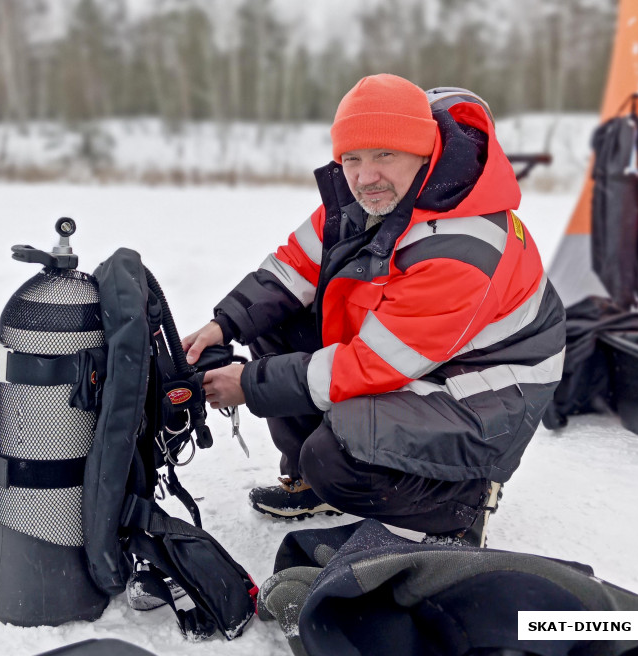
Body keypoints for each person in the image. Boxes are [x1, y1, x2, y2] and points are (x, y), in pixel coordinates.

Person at [182, 74, 566, 546]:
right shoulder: (370, 197)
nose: (365, 175)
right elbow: (294, 268)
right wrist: (225, 324)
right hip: (420, 353)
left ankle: (459, 505)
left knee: (338, 453)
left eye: (385, 154)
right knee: (276, 322)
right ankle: (314, 482)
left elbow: (374, 364)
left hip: (484, 392)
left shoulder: (462, 244)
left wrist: (251, 384)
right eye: (353, 158)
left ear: (423, 152)